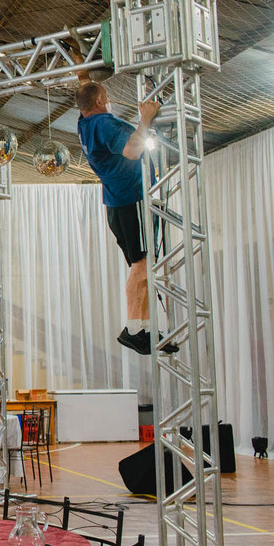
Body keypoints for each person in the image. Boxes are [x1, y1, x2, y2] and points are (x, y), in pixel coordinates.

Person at [75, 70, 176, 356]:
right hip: (131, 202)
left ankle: (144, 328)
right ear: (99, 102)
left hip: (120, 203)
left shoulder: (85, 121)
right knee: (141, 267)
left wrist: (83, 72)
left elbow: (86, 92)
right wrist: (144, 119)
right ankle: (133, 329)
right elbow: (132, 151)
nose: (110, 101)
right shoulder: (104, 124)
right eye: (106, 98)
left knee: (145, 266)